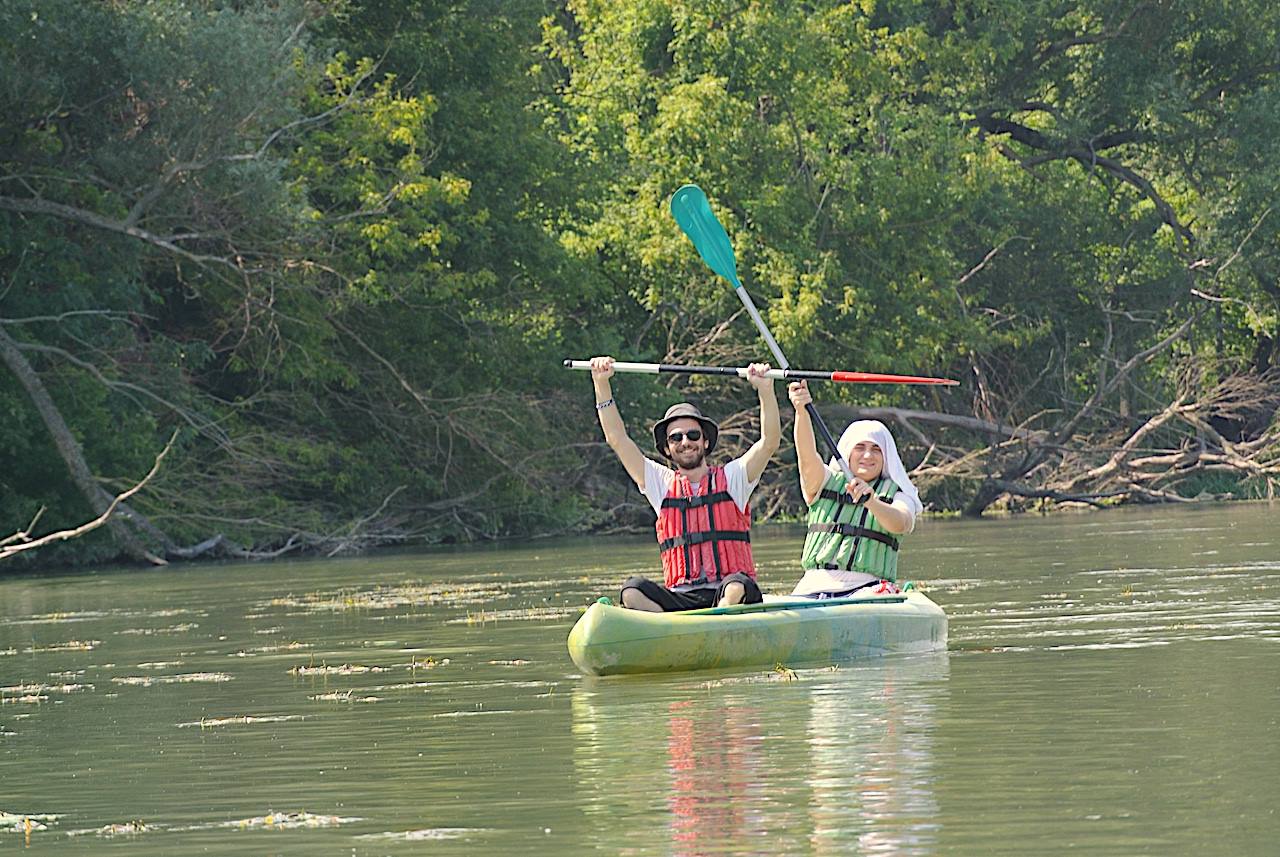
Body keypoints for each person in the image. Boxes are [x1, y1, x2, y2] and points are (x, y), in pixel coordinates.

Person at [589, 355, 781, 611]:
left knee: (736, 586)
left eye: (692, 435)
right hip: (680, 598)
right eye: (676, 437)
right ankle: (671, 632)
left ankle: (716, 622)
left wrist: (765, 390)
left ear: (705, 442)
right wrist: (601, 384)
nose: (685, 442)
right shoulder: (660, 483)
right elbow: (617, 439)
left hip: (727, 592)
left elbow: (769, 442)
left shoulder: (734, 478)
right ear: (668, 448)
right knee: (632, 590)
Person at [787, 380, 923, 598]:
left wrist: (871, 501)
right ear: (848, 453)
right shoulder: (824, 481)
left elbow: (901, 523)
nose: (868, 455)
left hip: (868, 588)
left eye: (876, 450)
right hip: (812, 587)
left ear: (886, 457)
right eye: (860, 448)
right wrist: (801, 411)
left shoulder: (899, 495)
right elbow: (806, 455)